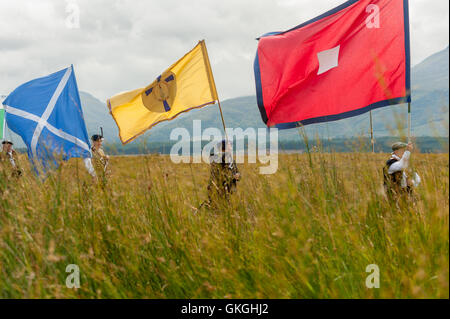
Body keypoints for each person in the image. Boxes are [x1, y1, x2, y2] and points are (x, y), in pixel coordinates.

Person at [203, 140, 240, 208]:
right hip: (217, 189)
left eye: (231, 146)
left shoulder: (231, 160)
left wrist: (237, 175)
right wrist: (225, 154)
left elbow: (236, 172)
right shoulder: (215, 157)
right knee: (216, 209)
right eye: (229, 146)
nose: (231, 148)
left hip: (230, 190)